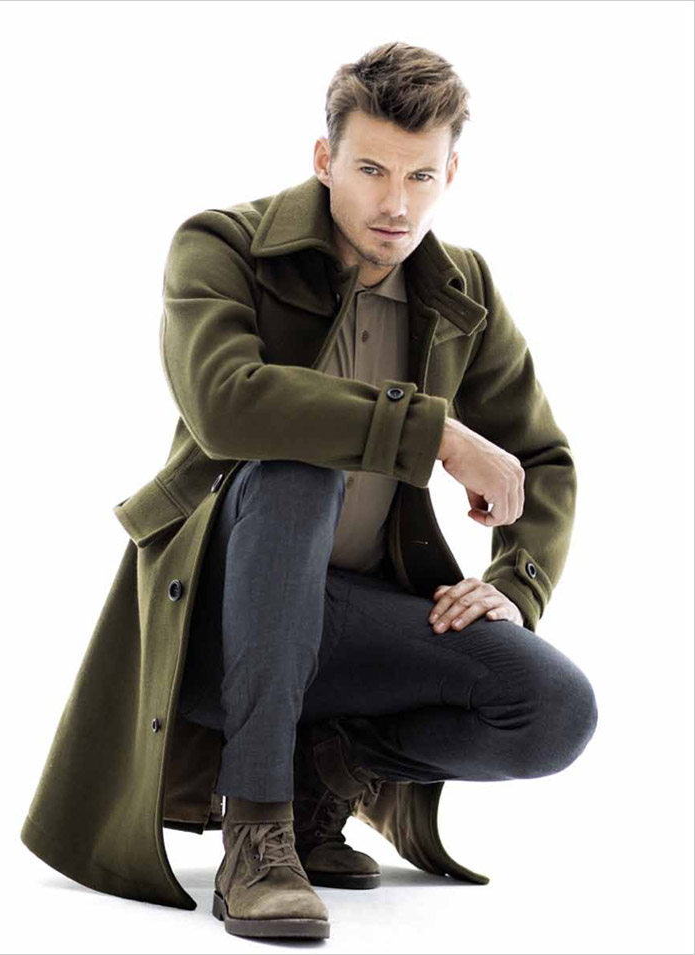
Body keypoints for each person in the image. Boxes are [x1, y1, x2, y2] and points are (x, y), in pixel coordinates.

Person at [168, 41, 599, 940]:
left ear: (450, 173)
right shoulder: (224, 246)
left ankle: (324, 771)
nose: (396, 203)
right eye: (370, 170)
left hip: (348, 620)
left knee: (552, 709)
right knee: (296, 463)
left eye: (420, 176)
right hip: (213, 623)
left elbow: (542, 459)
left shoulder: (461, 289)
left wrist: (515, 583)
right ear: (325, 159)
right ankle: (257, 831)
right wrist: (433, 432)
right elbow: (226, 403)